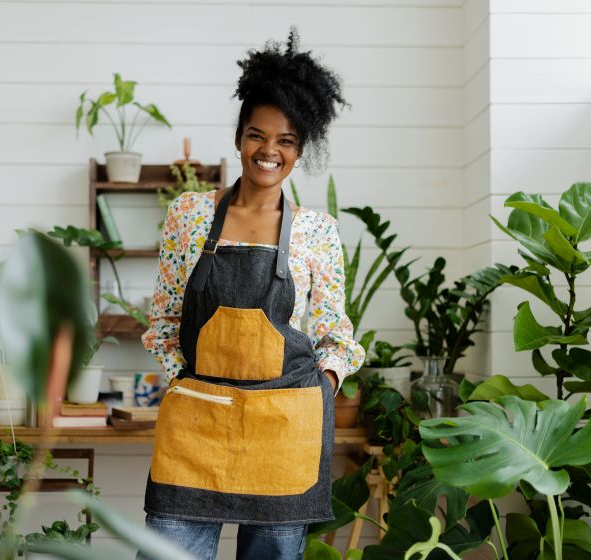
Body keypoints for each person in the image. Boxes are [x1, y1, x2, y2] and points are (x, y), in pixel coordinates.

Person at [139, 27, 365, 560]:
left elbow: (337, 333)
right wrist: (183, 380)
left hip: (284, 429)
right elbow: (166, 319)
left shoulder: (316, 231)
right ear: (239, 137)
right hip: (197, 423)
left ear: (301, 148)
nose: (269, 151)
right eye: (257, 136)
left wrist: (323, 384)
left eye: (286, 141)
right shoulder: (190, 215)